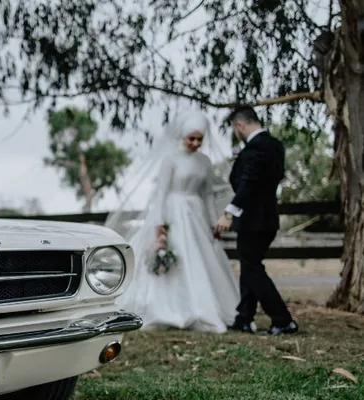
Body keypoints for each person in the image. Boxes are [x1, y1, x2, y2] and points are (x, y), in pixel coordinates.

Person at [106, 110, 239, 333]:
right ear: (182, 136)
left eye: (200, 139)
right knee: (179, 259)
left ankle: (205, 307)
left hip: (196, 215)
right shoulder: (170, 159)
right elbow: (161, 194)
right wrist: (160, 226)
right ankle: (169, 309)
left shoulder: (204, 161)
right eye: (191, 138)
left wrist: (212, 221)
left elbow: (207, 194)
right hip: (173, 214)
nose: (196, 143)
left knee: (201, 259)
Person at [213, 106, 299, 335]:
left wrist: (228, 212)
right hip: (267, 218)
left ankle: (282, 319)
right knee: (249, 264)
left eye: (234, 128)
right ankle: (244, 316)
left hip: (254, 220)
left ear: (239, 125)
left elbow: (248, 183)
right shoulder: (274, 145)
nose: (235, 132)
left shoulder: (256, 148)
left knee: (252, 267)